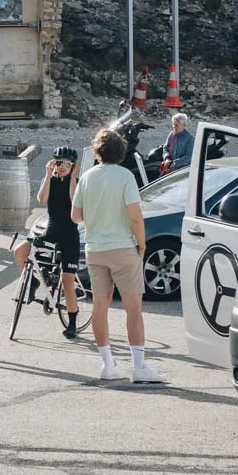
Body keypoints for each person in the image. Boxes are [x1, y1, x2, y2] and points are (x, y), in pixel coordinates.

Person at [72, 129, 165, 382]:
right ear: (121, 153)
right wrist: (142, 246)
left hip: (95, 249)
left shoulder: (87, 177)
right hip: (123, 247)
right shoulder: (125, 176)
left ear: (97, 152)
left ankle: (108, 364)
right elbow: (135, 216)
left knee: (100, 306)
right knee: (133, 308)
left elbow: (76, 216)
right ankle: (139, 366)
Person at [13, 145, 81, 338]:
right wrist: (47, 174)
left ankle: (72, 323)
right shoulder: (50, 179)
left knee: (67, 281)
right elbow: (41, 199)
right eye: (58, 163)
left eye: (66, 164)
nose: (61, 167)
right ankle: (33, 281)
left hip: (70, 235)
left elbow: (74, 201)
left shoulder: (76, 182)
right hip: (50, 231)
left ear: (73, 166)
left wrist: (73, 177)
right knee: (20, 251)